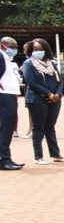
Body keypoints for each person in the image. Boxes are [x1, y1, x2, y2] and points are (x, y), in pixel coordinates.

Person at [22, 38, 64, 166]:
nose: (38, 51)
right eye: (35, 49)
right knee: (39, 128)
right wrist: (48, 94)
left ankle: (55, 154)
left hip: (55, 100)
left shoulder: (52, 64)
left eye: (40, 49)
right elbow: (31, 83)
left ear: (46, 50)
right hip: (37, 100)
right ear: (31, 51)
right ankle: (38, 157)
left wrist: (58, 95)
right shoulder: (28, 64)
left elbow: (60, 81)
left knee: (50, 127)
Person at [0, 37, 23, 170]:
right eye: (12, 46)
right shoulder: (0, 56)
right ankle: (4, 159)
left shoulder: (6, 58)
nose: (14, 49)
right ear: (3, 46)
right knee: (6, 128)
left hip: (9, 95)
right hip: (4, 96)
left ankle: (6, 157)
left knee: (8, 128)